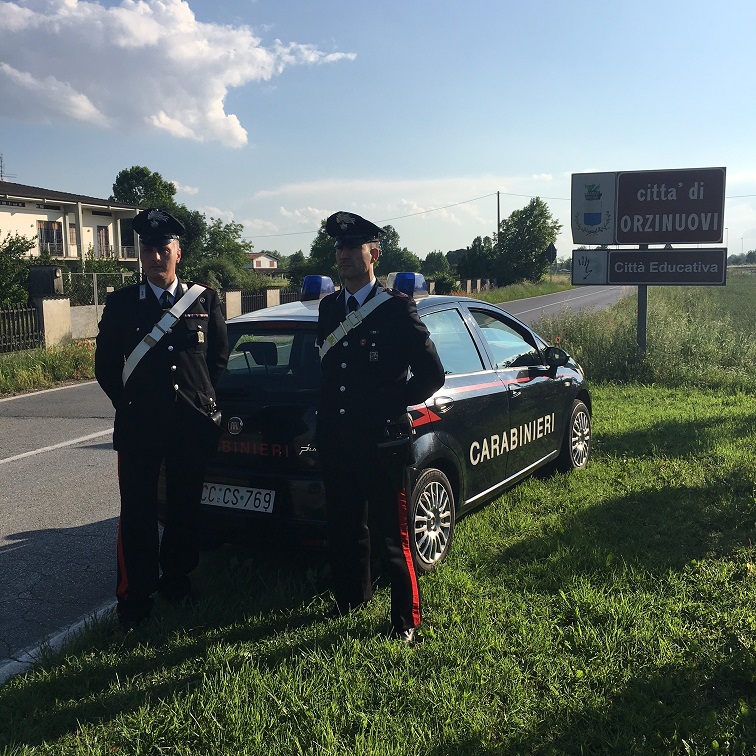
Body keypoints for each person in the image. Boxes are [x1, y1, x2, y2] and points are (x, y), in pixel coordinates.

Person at [95, 208, 229, 632]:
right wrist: (131, 404)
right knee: (136, 514)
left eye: (163, 248)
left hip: (190, 426)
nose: (155, 257)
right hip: (140, 429)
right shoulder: (121, 305)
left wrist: (199, 399)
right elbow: (105, 368)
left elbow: (217, 360)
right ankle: (135, 600)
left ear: (178, 252)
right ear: (141, 255)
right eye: (148, 250)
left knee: (184, 509)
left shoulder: (204, 300)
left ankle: (177, 581)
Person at [315, 211, 445, 644]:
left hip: (383, 441)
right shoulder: (329, 308)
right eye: (340, 247)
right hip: (339, 440)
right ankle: (351, 600)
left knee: (394, 536)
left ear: (374, 252)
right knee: (346, 530)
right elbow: (329, 376)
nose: (345, 255)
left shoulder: (395, 308)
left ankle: (406, 622)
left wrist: (390, 401)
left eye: (354, 247)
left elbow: (432, 375)